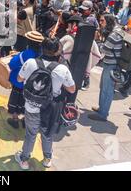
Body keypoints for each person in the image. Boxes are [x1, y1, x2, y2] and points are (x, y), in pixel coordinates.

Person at [14, 38, 76, 170]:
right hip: (50, 108)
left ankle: (24, 160)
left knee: (30, 134)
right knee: (48, 134)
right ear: (56, 51)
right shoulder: (62, 69)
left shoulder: (30, 63)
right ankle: (47, 158)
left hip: (32, 106)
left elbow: (19, 79)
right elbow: (72, 89)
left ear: (42, 48)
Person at [89, 14, 124, 122]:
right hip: (110, 64)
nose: (100, 23)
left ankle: (103, 114)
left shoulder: (114, 34)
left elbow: (104, 49)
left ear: (108, 21)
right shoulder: (116, 30)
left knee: (107, 90)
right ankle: (101, 108)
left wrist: (98, 41)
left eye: (102, 21)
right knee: (104, 87)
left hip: (111, 65)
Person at [7, 31, 44, 129]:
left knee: (15, 100)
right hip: (33, 84)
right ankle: (24, 120)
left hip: (19, 82)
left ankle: (15, 119)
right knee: (27, 102)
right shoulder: (41, 54)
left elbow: (12, 64)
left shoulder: (26, 54)